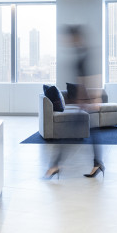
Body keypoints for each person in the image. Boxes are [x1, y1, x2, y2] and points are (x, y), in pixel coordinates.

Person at [44, 25, 105, 179]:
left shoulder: (87, 54)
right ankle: (97, 164)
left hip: (87, 103)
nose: (67, 41)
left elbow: (95, 76)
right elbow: (81, 79)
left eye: (70, 38)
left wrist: (95, 99)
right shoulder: (80, 53)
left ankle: (54, 166)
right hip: (82, 103)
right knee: (91, 135)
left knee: (70, 135)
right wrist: (78, 99)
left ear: (76, 37)